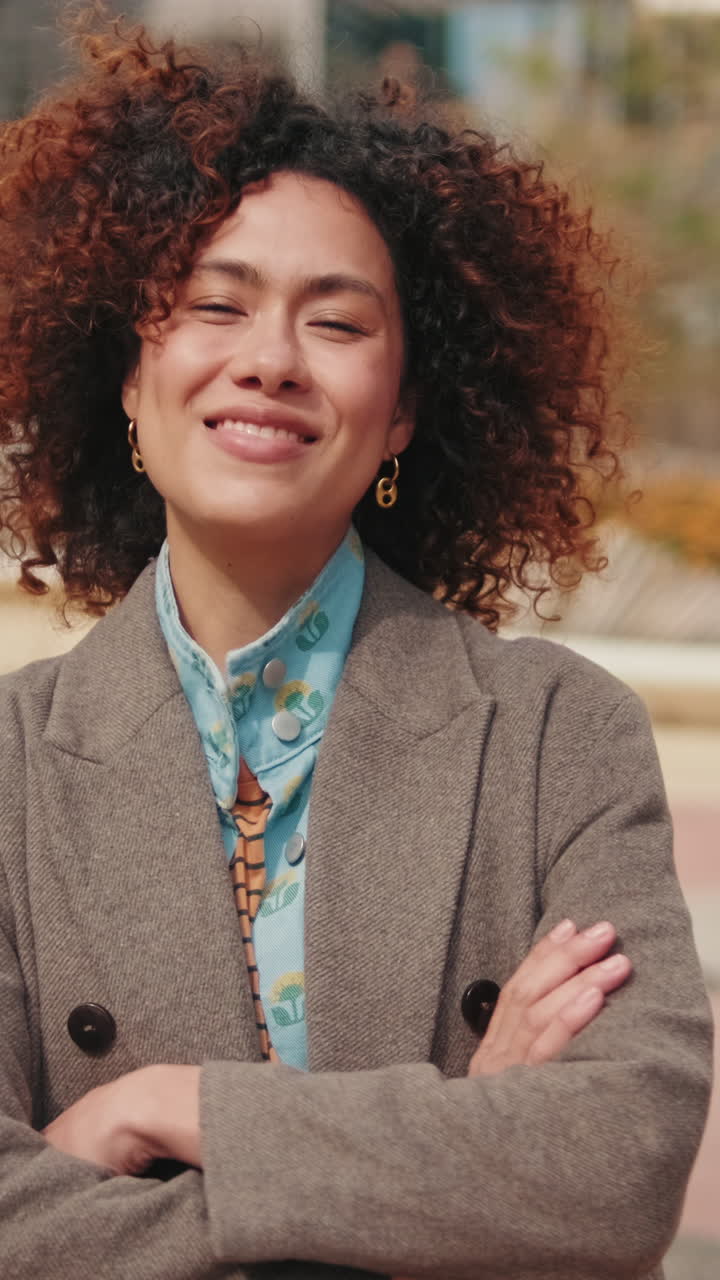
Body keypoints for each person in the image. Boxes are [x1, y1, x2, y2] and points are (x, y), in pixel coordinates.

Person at [0, 14, 711, 1280]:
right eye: (215, 304)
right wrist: (454, 1168)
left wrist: (169, 1107)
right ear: (124, 374)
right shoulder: (8, 762)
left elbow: (618, 1163)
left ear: (402, 416)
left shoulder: (555, 731)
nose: (269, 360)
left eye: (336, 324)